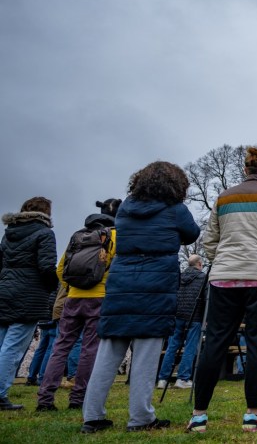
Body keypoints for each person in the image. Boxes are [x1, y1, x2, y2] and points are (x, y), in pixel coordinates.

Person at [80, 161, 200, 434]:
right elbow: (192, 233)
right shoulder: (175, 210)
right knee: (146, 355)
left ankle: (92, 415)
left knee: (108, 352)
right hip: (156, 284)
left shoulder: (125, 209)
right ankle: (140, 417)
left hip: (123, 281)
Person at [187, 146, 257, 434]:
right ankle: (253, 413)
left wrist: (224, 254)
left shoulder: (225, 197)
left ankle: (199, 414)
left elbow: (210, 239)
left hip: (226, 274)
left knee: (215, 341)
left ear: (244, 170)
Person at [38, 199, 119, 411]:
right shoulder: (114, 236)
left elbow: (60, 269)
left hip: (73, 298)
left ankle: (45, 398)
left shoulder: (78, 235)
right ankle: (78, 398)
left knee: (61, 347)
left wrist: (72, 287)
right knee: (89, 348)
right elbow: (118, 271)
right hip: (100, 297)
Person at [0, 197, 58, 411]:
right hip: (29, 294)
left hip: (5, 291)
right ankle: (0, 394)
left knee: (2, 344)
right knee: (13, 349)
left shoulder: (8, 235)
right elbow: (46, 266)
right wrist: (54, 286)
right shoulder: (44, 233)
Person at [156, 254, 206, 389]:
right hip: (194, 317)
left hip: (177, 315)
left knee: (172, 347)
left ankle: (163, 379)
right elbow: (207, 299)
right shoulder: (203, 278)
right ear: (200, 264)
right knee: (190, 347)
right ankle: (182, 378)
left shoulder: (180, 277)